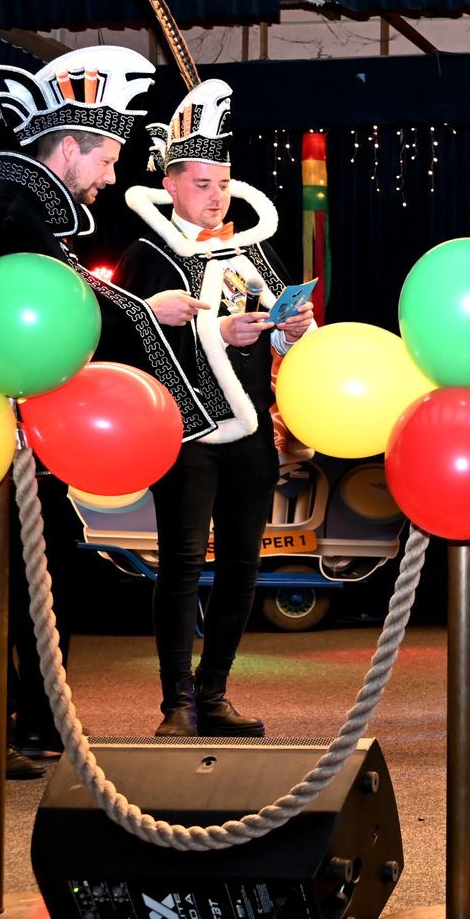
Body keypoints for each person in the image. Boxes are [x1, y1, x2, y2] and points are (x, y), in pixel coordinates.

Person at [0, 46, 176, 777]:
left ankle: (33, 723)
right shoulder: (12, 218)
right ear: (68, 149)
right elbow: (66, 306)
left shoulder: (21, 216)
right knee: (0, 584)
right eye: (107, 159)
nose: (111, 176)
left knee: (41, 572)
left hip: (16, 434)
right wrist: (147, 311)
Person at [114, 79, 315, 737]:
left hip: (253, 431)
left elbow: (281, 327)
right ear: (170, 184)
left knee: (242, 567)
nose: (216, 196)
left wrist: (292, 327)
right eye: (203, 184)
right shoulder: (148, 253)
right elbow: (131, 343)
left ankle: (214, 693)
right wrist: (216, 332)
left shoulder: (253, 249)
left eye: (224, 183)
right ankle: (176, 702)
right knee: (179, 565)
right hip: (185, 431)